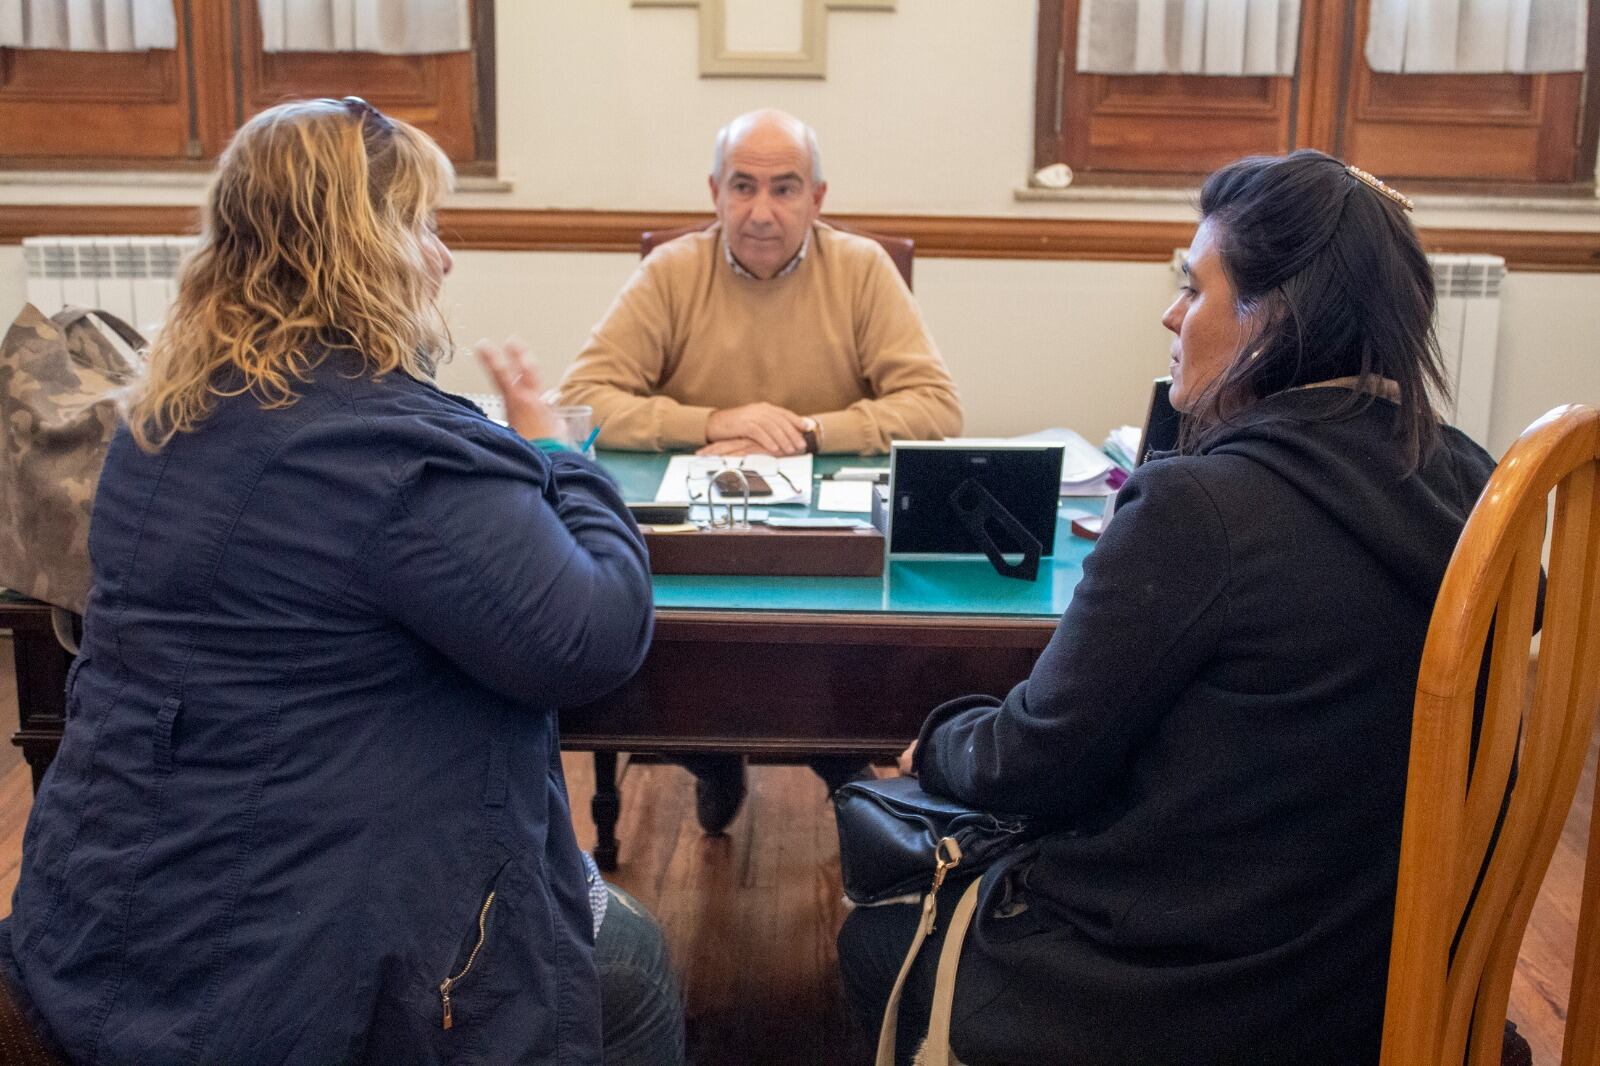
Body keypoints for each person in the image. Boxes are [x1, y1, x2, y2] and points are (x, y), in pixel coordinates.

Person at [0, 98, 682, 1066]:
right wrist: (556, 451)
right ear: (356, 247)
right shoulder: (378, 450)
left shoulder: (165, 417)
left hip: (111, 919)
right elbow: (590, 640)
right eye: (421, 225)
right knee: (633, 962)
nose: (441, 258)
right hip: (280, 964)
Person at [837, 149, 1500, 1066]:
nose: (1172, 314)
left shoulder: (1202, 510)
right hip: (1386, 979)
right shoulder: (1469, 480)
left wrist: (938, 739)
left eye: (1195, 287)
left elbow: (1034, 761)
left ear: (1276, 318)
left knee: (872, 944)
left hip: (1195, 996)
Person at [558, 108, 964, 832]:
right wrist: (714, 421)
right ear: (714, 192)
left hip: (832, 530)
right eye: (743, 187)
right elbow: (584, 399)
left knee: (819, 642)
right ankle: (711, 748)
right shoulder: (674, 270)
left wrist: (804, 433)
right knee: (681, 638)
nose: (762, 212)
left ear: (818, 197)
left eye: (785, 189)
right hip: (701, 514)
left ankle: (827, 747)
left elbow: (935, 407)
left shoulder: (862, 270)